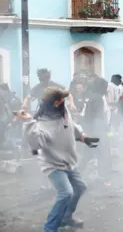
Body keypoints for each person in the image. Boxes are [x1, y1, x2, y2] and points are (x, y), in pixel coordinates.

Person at [18, 87, 94, 232]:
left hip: (69, 161)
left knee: (80, 187)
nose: (64, 101)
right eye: (61, 99)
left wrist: (82, 136)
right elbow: (35, 143)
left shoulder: (63, 111)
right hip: (53, 164)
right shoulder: (40, 123)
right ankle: (50, 228)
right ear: (54, 103)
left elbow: (72, 125)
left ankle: (65, 218)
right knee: (66, 193)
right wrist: (28, 122)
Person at [79, 77, 110, 175]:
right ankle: (103, 175)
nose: (107, 89)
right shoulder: (98, 98)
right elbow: (97, 117)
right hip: (95, 131)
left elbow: (87, 116)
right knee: (100, 153)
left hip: (90, 129)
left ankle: (76, 174)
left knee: (88, 154)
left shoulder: (92, 97)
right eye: (105, 87)